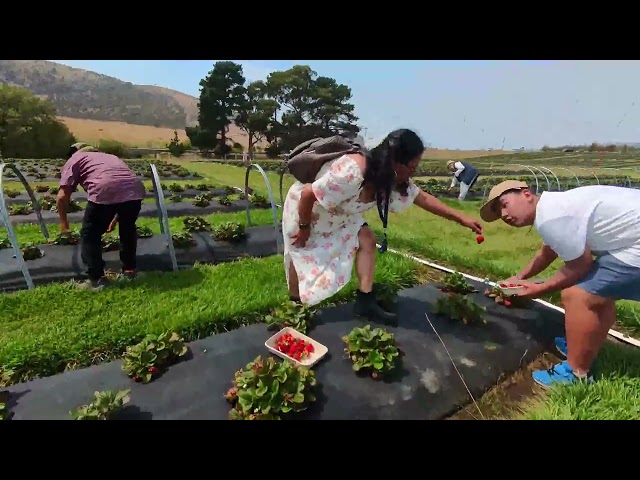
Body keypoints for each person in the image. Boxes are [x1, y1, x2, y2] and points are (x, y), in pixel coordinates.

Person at [283, 129, 483, 323]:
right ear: (395, 161)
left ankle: (365, 302)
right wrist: (304, 227)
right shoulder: (354, 170)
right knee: (300, 252)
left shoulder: (392, 178)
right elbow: (308, 193)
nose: (413, 172)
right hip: (309, 209)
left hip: (343, 212)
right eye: (412, 167)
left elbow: (421, 198)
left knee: (367, 240)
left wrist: (461, 218)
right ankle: (295, 306)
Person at [479, 180, 640, 388]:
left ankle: (575, 373)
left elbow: (580, 265)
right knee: (597, 295)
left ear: (526, 194)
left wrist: (538, 289)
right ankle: (582, 346)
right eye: (499, 213)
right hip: (631, 240)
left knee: (577, 295)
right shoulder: (553, 205)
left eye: (504, 204)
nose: (504, 215)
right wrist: (519, 279)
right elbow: (548, 252)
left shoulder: (551, 216)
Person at [56, 142, 146, 290]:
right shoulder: (110, 157)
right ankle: (130, 272)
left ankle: (96, 279)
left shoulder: (75, 159)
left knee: (90, 234)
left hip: (105, 188)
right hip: (135, 189)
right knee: (128, 229)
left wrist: (63, 223)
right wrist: (116, 218)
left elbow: (61, 197)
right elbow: (122, 186)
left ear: (75, 152)